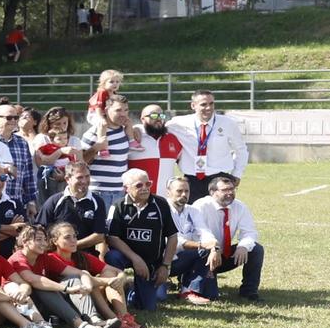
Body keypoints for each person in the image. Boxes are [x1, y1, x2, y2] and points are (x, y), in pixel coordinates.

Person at [104, 167, 178, 313]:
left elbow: (172, 237)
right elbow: (112, 238)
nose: (145, 188)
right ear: (126, 188)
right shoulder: (117, 206)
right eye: (139, 185)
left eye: (148, 184)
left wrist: (165, 266)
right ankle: (119, 289)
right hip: (126, 256)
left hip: (151, 261)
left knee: (150, 305)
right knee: (112, 256)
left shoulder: (161, 204)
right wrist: (135, 259)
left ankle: (131, 291)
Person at [186, 173, 263, 302]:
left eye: (232, 189)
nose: (230, 193)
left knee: (256, 249)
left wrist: (243, 246)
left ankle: (249, 292)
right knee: (211, 296)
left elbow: (250, 232)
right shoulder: (200, 206)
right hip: (204, 256)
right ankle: (188, 280)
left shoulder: (240, 207)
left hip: (223, 254)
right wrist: (213, 248)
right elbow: (199, 234)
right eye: (225, 190)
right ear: (212, 192)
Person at [168, 90, 248, 183]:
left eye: (211, 104)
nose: (208, 108)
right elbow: (157, 127)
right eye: (203, 104)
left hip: (220, 179)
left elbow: (241, 150)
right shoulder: (178, 123)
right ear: (193, 106)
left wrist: (236, 174)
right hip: (192, 180)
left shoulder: (228, 123)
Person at [84, 94, 140, 198]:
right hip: (98, 192)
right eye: (118, 110)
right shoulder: (95, 131)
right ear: (106, 110)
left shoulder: (126, 131)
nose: (123, 114)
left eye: (126, 110)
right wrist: (96, 147)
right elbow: (79, 161)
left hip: (120, 192)